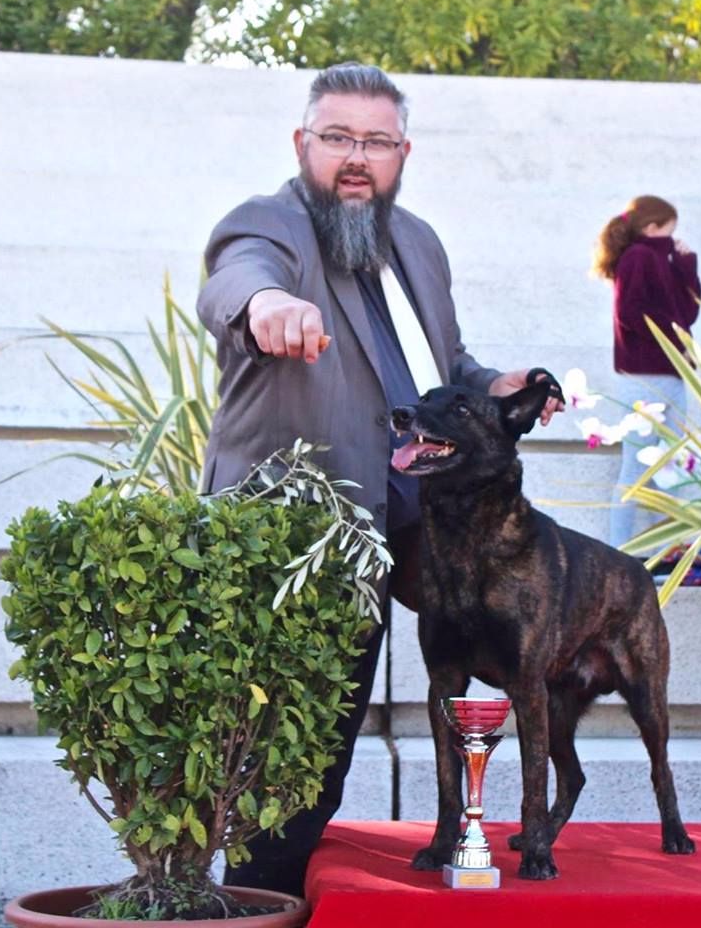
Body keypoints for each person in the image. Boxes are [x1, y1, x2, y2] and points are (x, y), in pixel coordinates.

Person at [196, 62, 561, 898]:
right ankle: (259, 902)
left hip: (426, 524)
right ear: (303, 143)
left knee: (526, 640)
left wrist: (497, 383)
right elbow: (234, 281)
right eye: (337, 138)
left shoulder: (420, 243)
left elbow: (447, 368)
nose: (355, 158)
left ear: (403, 152)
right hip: (305, 534)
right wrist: (266, 310)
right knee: (300, 747)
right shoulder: (268, 224)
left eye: (376, 141)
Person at [593, 195, 701, 549]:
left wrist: (686, 268)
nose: (673, 239)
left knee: (672, 466)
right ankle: (622, 550)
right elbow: (630, 311)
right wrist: (672, 340)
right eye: (669, 231)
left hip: (671, 376)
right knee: (636, 470)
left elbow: (688, 312)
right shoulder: (639, 257)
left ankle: (668, 549)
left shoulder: (663, 260)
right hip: (643, 378)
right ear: (651, 228)